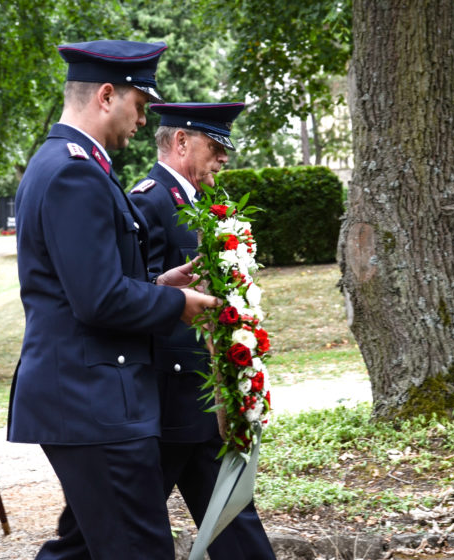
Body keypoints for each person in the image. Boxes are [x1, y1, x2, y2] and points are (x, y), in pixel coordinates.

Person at [7, 40, 220, 560]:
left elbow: (90, 282)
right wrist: (178, 306)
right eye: (140, 106)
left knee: (82, 549)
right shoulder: (74, 171)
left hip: (87, 395)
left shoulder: (69, 164)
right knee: (139, 548)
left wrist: (158, 286)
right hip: (91, 400)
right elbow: (97, 300)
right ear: (106, 95)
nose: (144, 122)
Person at [130, 102, 276, 559]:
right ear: (180, 142)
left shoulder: (204, 204)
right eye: (214, 147)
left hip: (204, 390)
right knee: (124, 526)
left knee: (232, 513)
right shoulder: (147, 201)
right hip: (169, 395)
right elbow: (139, 292)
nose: (223, 158)